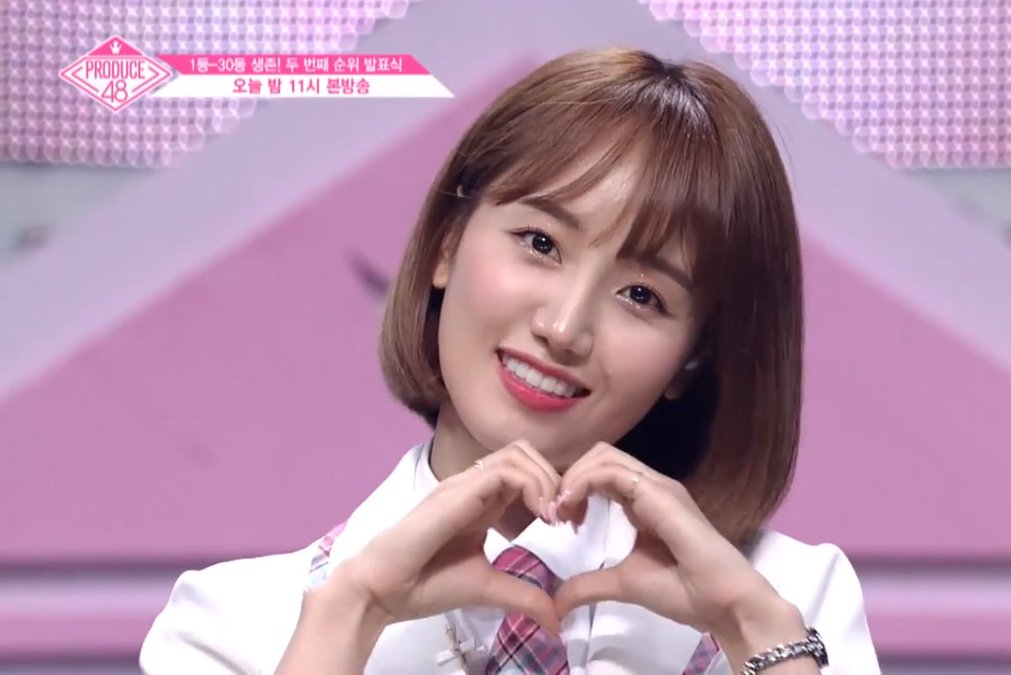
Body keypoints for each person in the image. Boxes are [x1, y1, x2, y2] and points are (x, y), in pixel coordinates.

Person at [140, 47, 881, 675]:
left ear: (691, 360)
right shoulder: (230, 626)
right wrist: (350, 616)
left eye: (642, 294)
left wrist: (758, 635)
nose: (564, 328)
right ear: (446, 244)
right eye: (541, 243)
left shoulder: (790, 602)